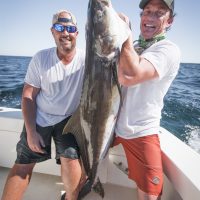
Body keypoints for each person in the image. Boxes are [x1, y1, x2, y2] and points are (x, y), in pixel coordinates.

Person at [1, 10, 86, 200]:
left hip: (69, 120)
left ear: (77, 33)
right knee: (23, 164)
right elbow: (28, 95)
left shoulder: (87, 60)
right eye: (59, 27)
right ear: (52, 32)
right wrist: (31, 131)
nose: (65, 33)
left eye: (70, 28)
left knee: (72, 160)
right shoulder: (41, 58)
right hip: (41, 117)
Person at [115, 0, 181, 200]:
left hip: (141, 131)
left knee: (151, 195)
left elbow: (130, 75)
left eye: (159, 13)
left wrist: (124, 34)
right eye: (147, 11)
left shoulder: (168, 49)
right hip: (112, 125)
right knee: (76, 153)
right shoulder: (134, 47)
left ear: (169, 21)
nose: (150, 18)